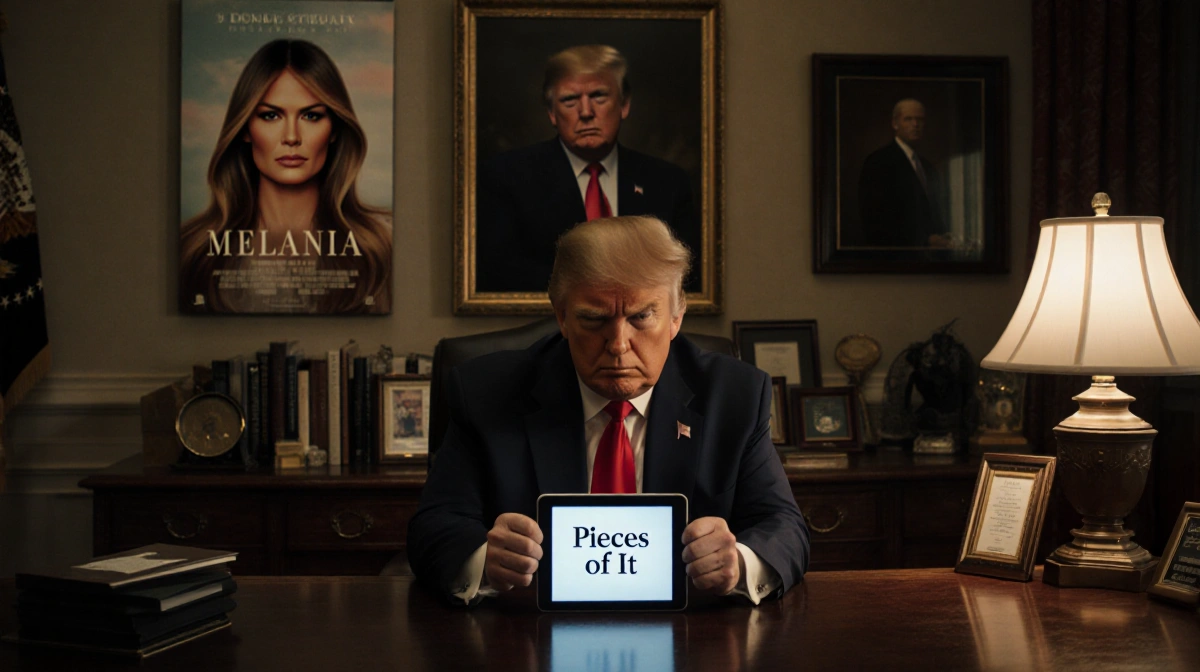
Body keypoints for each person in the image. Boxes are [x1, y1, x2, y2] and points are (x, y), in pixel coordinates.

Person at [408, 216, 809, 606]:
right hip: (529, 634)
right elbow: (434, 528)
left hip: (690, 637)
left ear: (676, 316)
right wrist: (483, 562)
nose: (618, 343)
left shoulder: (734, 395)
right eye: (594, 319)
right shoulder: (486, 393)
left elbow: (784, 527)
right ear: (562, 316)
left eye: (641, 317)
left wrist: (738, 563)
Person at [180, 39, 392, 314]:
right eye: (270, 116)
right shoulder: (194, 250)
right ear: (245, 129)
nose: (291, 137)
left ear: (335, 130)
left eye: (312, 116)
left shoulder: (381, 245)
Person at [475, 45, 700, 294]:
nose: (585, 112)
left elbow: (685, 275)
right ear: (551, 113)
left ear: (624, 105)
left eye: (598, 96)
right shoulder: (505, 177)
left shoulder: (667, 182)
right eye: (569, 100)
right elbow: (501, 271)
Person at [855, 98, 949, 248]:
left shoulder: (927, 167)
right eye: (908, 119)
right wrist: (925, 241)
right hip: (895, 258)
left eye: (920, 119)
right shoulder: (878, 162)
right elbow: (876, 219)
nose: (915, 125)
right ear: (895, 124)